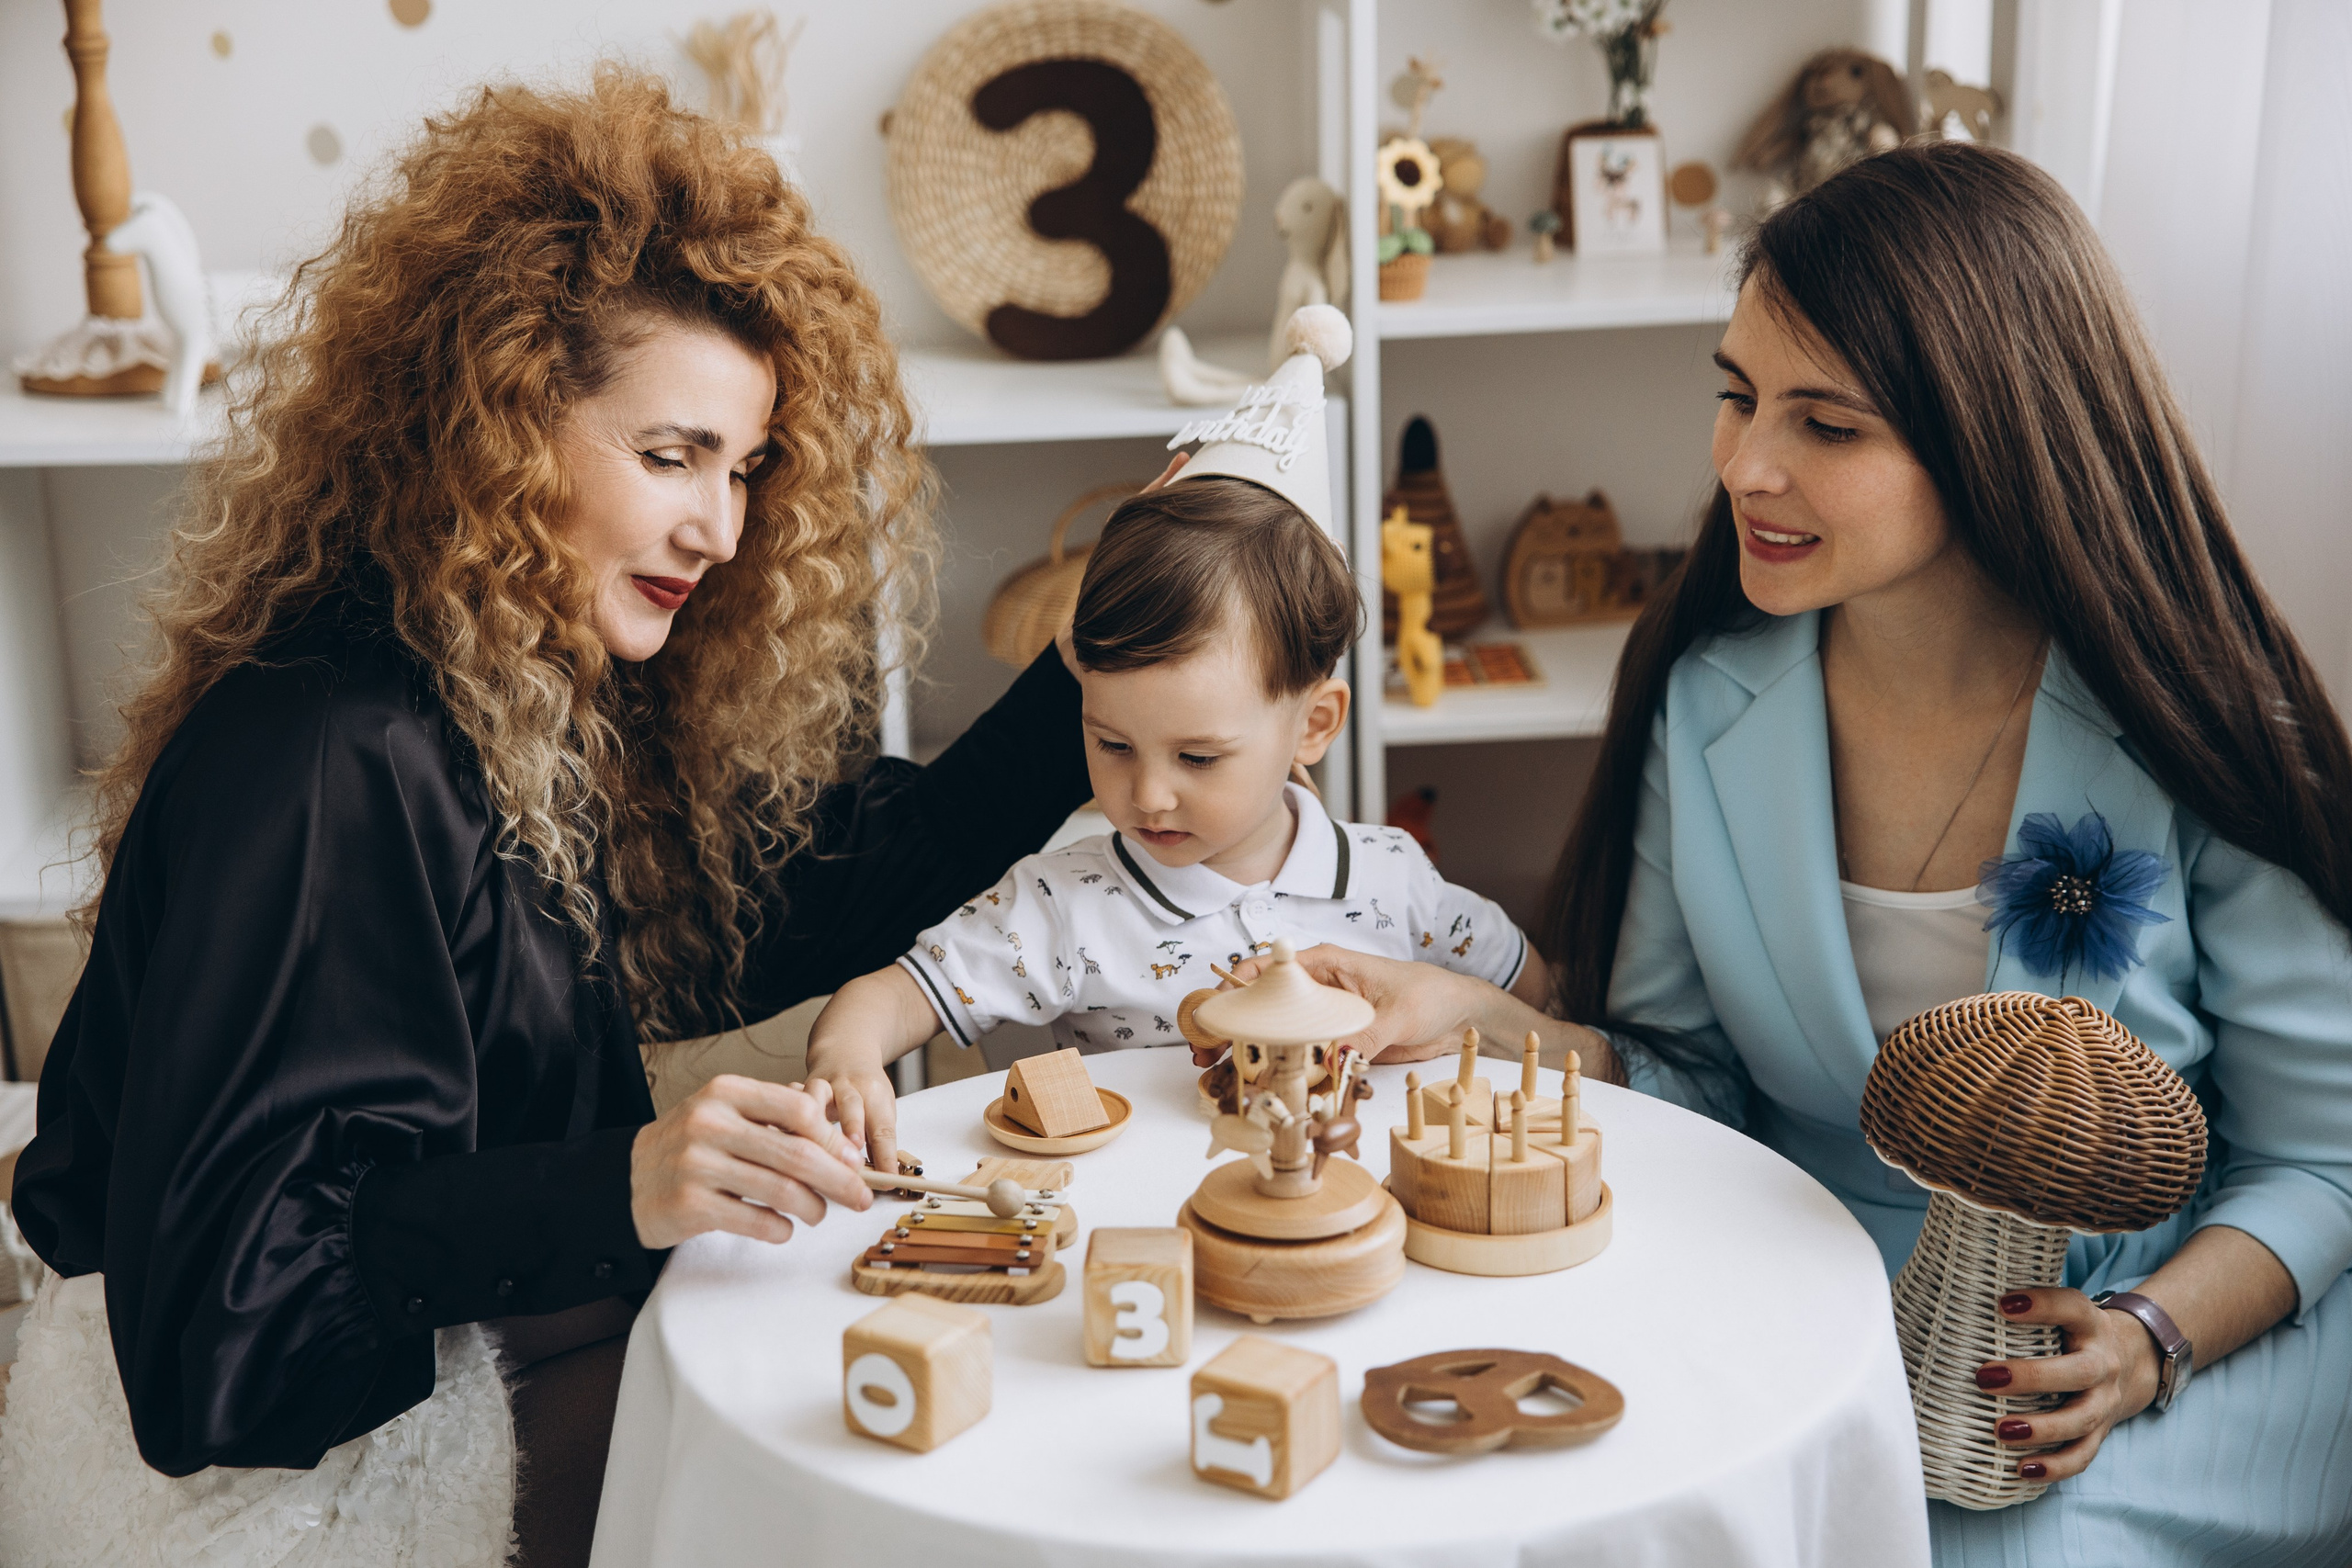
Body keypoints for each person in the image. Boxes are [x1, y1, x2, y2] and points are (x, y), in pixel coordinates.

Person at [0, 71, 1100, 1567]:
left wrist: (1096, 668)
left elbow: (797, 891)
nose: (721, 528)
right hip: (247, 1479)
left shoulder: (524, 683)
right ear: (498, 427)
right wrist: (623, 1183)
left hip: (419, 1357)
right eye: (670, 456)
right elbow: (223, 1345)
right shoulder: (332, 755)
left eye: (743, 468)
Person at [1272, 142, 2352, 1564]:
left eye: (1826, 424)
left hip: (2153, 1342)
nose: (1744, 465)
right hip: (1812, 1288)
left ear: (1994, 433)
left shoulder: (2186, 723)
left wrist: (2150, 1336)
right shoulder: (1708, 702)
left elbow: (2324, 1156)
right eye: (1736, 395)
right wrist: (1490, 1023)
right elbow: (1692, 1078)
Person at [805, 311, 1546, 1173]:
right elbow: (887, 997)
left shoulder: (1394, 881)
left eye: (1197, 757)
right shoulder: (1062, 905)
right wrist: (846, 1055)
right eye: (1111, 743)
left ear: (1314, 724)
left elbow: (1537, 996)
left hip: (1351, 1220)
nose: (1146, 794)